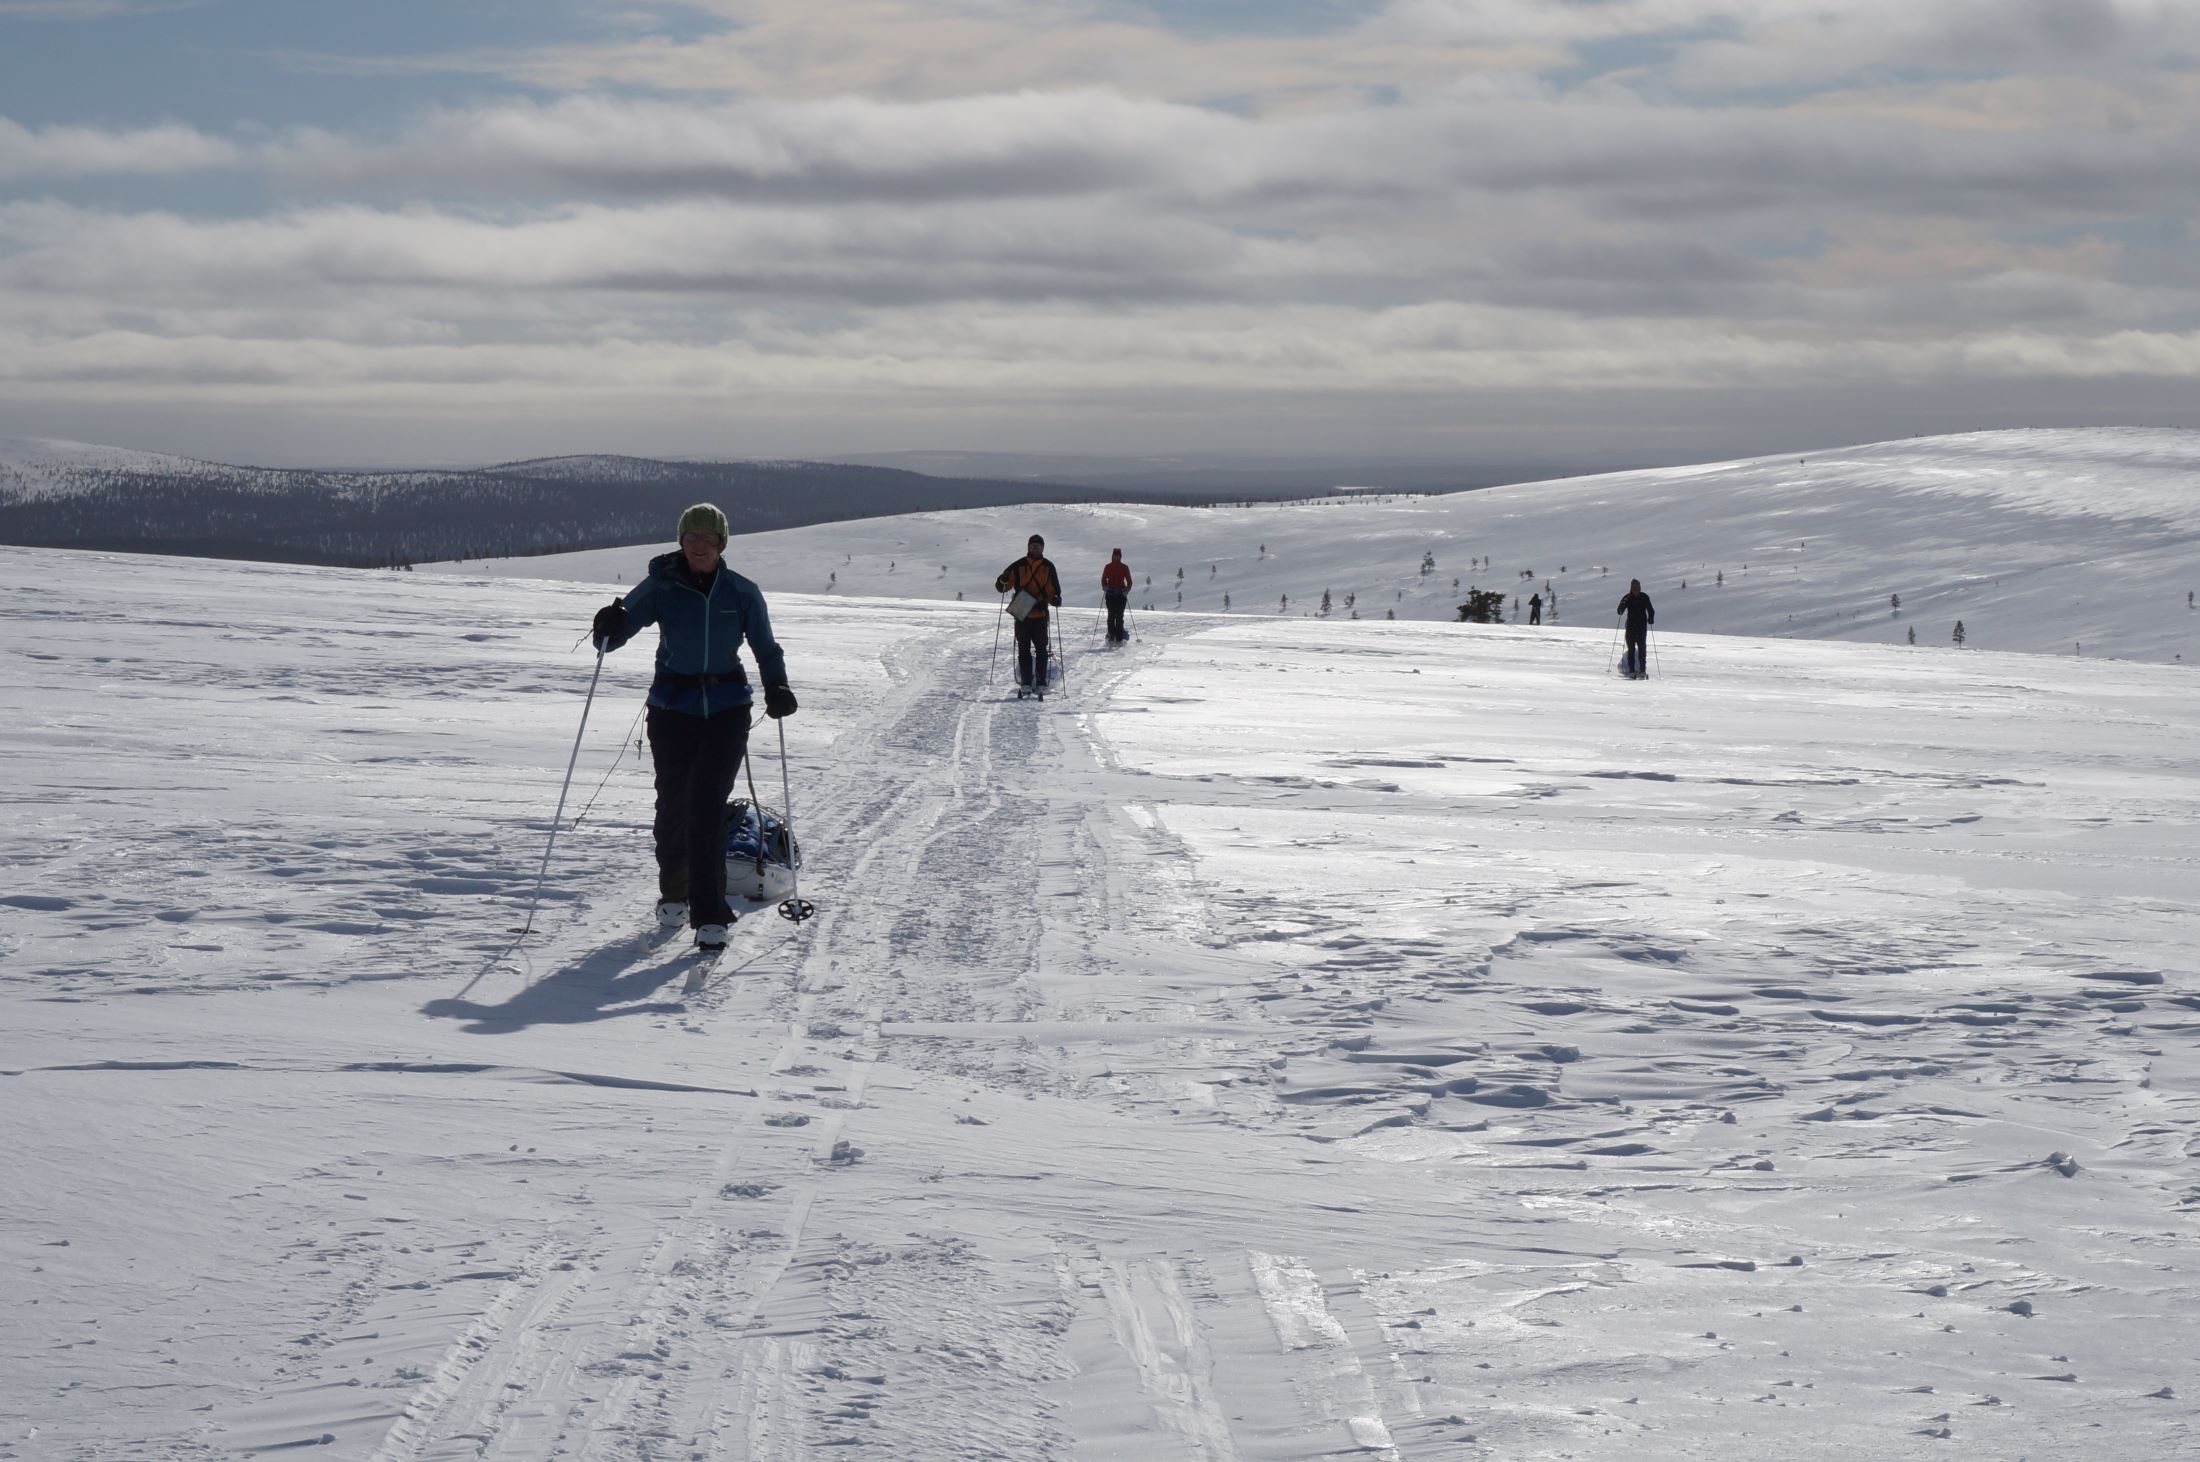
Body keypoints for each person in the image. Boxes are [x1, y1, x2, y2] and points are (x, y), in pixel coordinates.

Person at [590, 504, 796, 950]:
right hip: (671, 708)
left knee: (705, 807)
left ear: (722, 544)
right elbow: (620, 629)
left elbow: (765, 645)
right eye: (691, 537)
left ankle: (710, 915)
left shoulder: (741, 591)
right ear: (681, 543)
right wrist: (607, 627)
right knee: (672, 809)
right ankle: (674, 894)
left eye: (708, 537)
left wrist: (776, 686)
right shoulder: (663, 585)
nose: (699, 545)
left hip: (726, 709)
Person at [995, 534, 1063, 695]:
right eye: (1033, 546)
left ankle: (1040, 681)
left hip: (1036, 612)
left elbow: (1054, 590)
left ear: (1043, 548)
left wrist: (1055, 599)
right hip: (1023, 611)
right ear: (1028, 547)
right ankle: (1026, 681)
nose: (1035, 548)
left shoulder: (1048, 567)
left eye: (1038, 546)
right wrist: (1002, 580)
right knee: (1024, 648)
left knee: (1041, 649)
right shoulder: (1018, 566)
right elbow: (1002, 586)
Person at [1616, 578, 1654, 678]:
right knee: (1631, 650)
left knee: (1642, 650)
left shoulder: (1644, 597)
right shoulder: (1627, 598)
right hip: (1631, 628)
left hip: (1641, 628)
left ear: (1640, 588)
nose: (1635, 589)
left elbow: (1651, 610)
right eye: (1633, 587)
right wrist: (1621, 607)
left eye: (1637, 587)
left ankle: (1642, 670)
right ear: (1631, 588)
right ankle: (1632, 670)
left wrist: (1651, 618)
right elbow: (1620, 611)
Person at [1100, 548, 1132, 643]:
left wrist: (1127, 590)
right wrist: (1104, 586)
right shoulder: (1108, 567)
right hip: (1110, 594)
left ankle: (1119, 638)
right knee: (1111, 616)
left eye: (1118, 555)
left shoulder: (1124, 567)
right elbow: (1103, 579)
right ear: (1112, 556)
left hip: (1121, 595)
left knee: (1119, 616)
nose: (1116, 557)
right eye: (1115, 555)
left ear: (1120, 556)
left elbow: (1130, 581)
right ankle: (1111, 636)